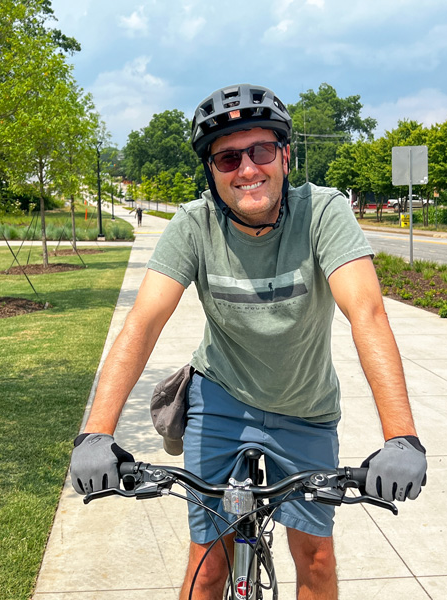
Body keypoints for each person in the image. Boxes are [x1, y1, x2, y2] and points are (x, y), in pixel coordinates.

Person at [70, 84, 427, 599]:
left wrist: (401, 436)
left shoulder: (323, 213)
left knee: (317, 558)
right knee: (208, 566)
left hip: (304, 406)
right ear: (212, 172)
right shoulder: (195, 224)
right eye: (228, 157)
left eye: (261, 150)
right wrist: (96, 434)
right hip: (219, 400)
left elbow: (367, 312)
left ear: (284, 155)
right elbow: (143, 322)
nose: (247, 169)